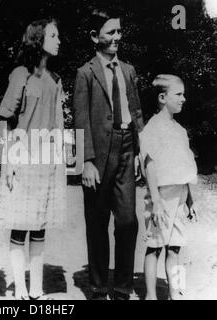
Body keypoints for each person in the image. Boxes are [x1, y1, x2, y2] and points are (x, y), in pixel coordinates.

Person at [73, 8, 144, 300]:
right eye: (110, 32)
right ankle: (100, 286)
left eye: (119, 31)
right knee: (98, 220)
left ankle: (123, 286)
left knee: (128, 220)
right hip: (100, 154)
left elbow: (137, 112)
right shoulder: (85, 73)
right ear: (94, 37)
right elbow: (80, 120)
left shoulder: (127, 70)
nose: (117, 37)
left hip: (128, 145)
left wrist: (141, 151)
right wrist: (86, 161)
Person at [0, 18, 67, 300]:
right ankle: (20, 288)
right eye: (54, 35)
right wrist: (7, 163)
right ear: (38, 39)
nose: (59, 40)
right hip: (21, 160)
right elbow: (4, 118)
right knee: (20, 225)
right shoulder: (20, 75)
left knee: (39, 226)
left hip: (47, 162)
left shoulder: (55, 80)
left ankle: (36, 287)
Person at [140, 74, 197, 300]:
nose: (183, 99)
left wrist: (190, 200)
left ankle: (176, 292)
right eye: (179, 94)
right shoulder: (152, 129)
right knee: (155, 247)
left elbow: (185, 169)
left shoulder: (180, 131)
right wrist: (155, 200)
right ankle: (151, 296)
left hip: (180, 195)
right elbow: (149, 165)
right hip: (161, 196)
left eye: (184, 94)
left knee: (175, 248)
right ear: (163, 97)